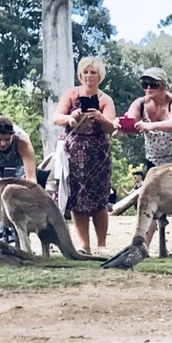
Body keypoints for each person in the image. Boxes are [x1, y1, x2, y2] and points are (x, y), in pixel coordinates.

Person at [53, 54, 116, 252]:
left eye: (93, 73)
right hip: (73, 153)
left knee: (99, 199)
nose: (89, 76)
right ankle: (84, 244)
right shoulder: (71, 94)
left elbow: (111, 127)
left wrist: (99, 117)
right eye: (85, 72)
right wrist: (70, 118)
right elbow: (57, 117)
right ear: (80, 75)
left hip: (97, 155)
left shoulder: (105, 99)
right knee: (77, 199)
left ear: (100, 76)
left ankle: (102, 244)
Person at [119, 66, 172, 175]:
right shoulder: (140, 103)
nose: (148, 88)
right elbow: (131, 123)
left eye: (153, 84)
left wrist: (150, 126)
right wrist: (120, 124)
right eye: (144, 84)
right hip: (156, 158)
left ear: (164, 86)